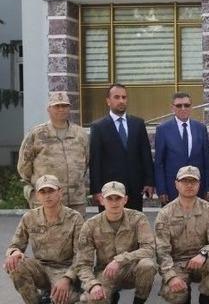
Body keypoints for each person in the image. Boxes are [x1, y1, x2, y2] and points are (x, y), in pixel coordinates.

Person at [74, 181, 157, 304]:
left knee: (147, 265)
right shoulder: (91, 225)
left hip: (131, 271)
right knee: (91, 300)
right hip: (105, 273)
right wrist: (93, 285)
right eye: (109, 198)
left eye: (118, 198)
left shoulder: (138, 218)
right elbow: (83, 264)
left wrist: (120, 260)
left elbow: (149, 249)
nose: (114, 203)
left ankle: (139, 301)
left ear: (125, 200)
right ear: (102, 200)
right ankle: (111, 296)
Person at [155, 166, 209, 304]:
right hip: (177, 264)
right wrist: (171, 277)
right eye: (184, 181)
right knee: (175, 295)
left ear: (199, 185)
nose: (189, 185)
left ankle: (206, 298)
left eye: (193, 181)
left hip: (202, 262)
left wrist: (204, 254)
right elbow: (161, 251)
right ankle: (184, 296)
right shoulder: (165, 213)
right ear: (176, 184)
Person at [4, 175, 83, 304]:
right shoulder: (29, 217)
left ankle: (69, 292)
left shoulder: (74, 218)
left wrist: (67, 279)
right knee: (16, 265)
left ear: (60, 192)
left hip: (64, 270)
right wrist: (14, 253)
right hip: (41, 268)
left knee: (65, 300)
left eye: (51, 191)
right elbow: (15, 245)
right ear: (37, 195)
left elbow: (81, 255)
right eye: (43, 192)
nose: (47, 196)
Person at [17, 91, 89, 215]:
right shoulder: (37, 134)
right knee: (46, 234)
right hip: (46, 200)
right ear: (49, 109)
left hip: (75, 201)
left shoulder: (80, 134)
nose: (61, 109)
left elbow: (86, 162)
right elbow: (24, 167)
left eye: (64, 106)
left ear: (69, 108)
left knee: (77, 234)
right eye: (57, 106)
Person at [89, 83, 155, 211]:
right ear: (108, 101)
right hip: (109, 191)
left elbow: (145, 155)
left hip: (135, 189)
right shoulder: (98, 127)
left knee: (135, 226)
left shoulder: (138, 124)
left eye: (124, 97)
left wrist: (149, 182)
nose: (121, 101)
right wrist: (96, 190)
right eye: (117, 97)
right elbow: (95, 161)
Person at [154, 92, 209, 204]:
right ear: (172, 108)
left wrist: (208, 187)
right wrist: (161, 190)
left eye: (187, 105)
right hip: (172, 190)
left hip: (197, 188)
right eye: (179, 105)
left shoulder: (200, 128)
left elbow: (207, 160)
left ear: (191, 107)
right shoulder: (163, 130)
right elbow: (159, 163)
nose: (183, 108)